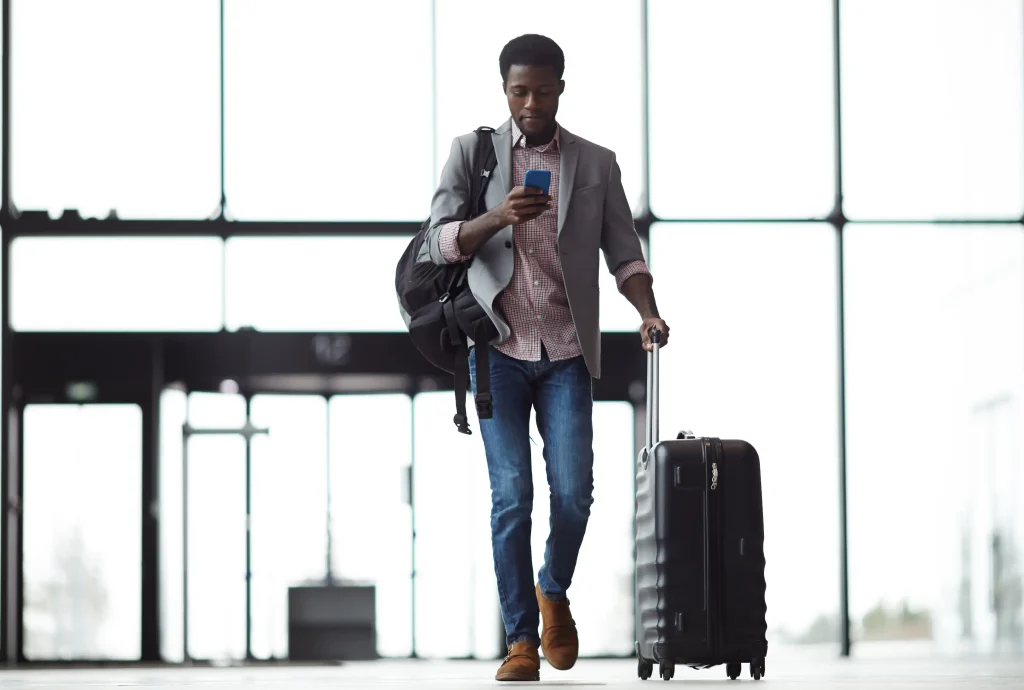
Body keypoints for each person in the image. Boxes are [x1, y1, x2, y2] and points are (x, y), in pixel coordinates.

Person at [424, 33, 671, 682]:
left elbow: (626, 254)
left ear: (561, 87)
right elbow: (437, 243)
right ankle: (520, 640)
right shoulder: (472, 154)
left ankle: (552, 587)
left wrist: (647, 312)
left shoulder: (595, 163)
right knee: (511, 496)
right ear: (504, 91)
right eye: (518, 92)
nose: (530, 103)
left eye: (541, 91)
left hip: (565, 349)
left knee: (574, 493)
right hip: (496, 347)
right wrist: (496, 218)